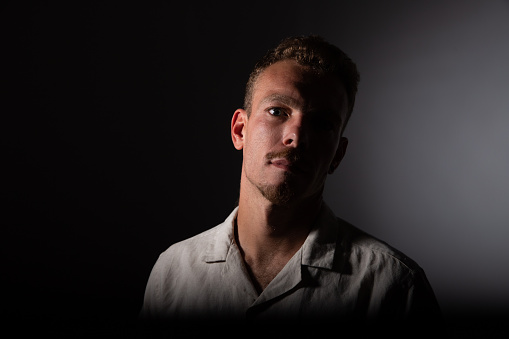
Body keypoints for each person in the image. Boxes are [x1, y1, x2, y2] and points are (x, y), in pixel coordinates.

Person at [139, 35, 442, 335]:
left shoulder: (392, 285)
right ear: (239, 130)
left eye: (321, 124)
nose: (296, 137)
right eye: (277, 111)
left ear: (337, 154)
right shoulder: (172, 273)